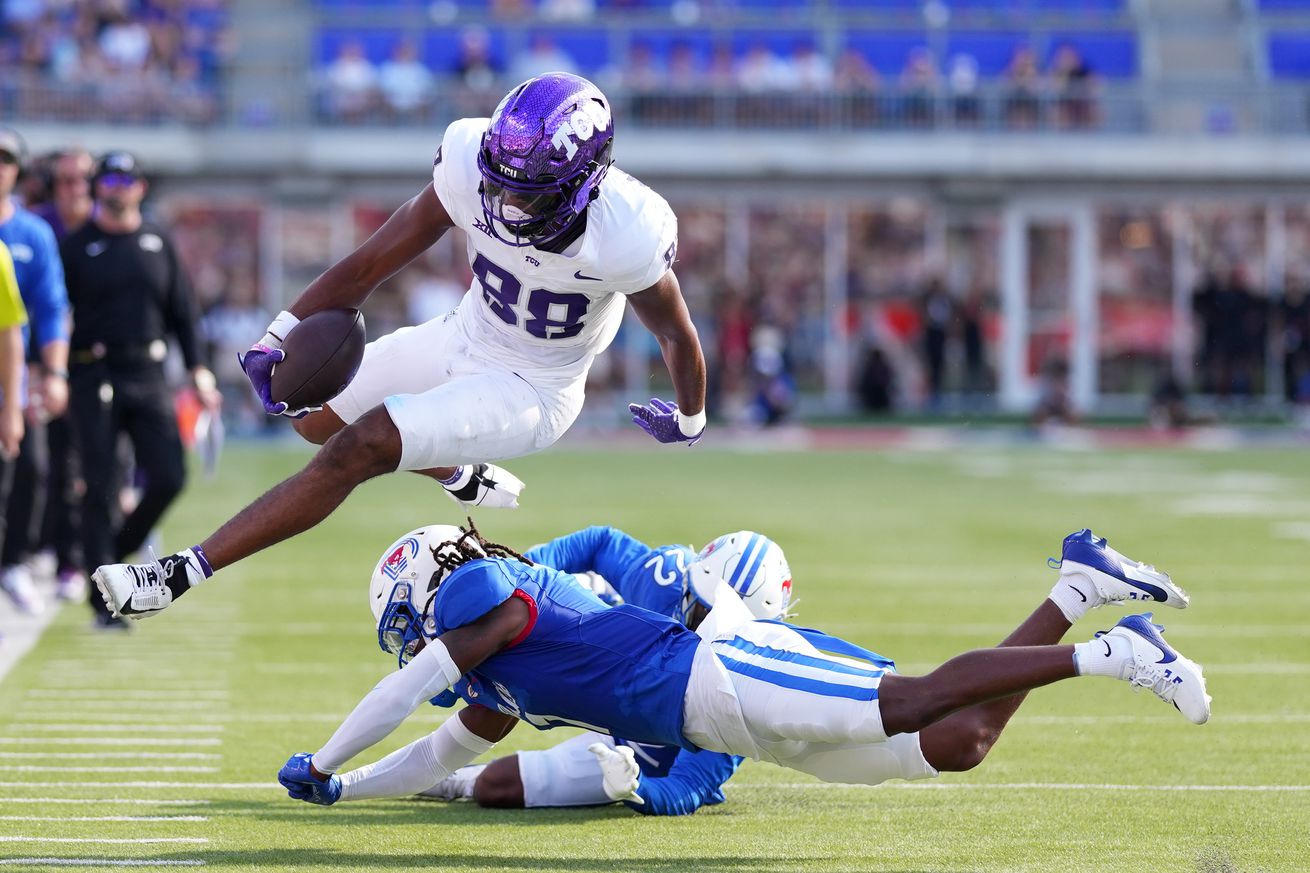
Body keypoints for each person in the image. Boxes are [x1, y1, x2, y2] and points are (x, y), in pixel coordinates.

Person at [93, 73, 706, 621]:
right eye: (501, 185)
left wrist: (690, 415)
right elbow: (367, 266)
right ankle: (457, 472)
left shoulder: (629, 232)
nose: (509, 204)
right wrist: (278, 333)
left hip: (533, 389)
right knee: (314, 424)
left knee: (362, 445)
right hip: (462, 334)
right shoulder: (471, 162)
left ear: (587, 182)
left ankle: (177, 573)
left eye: (531, 194)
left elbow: (674, 330)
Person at [273, 525, 1210, 810]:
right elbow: (435, 753)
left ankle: (1114, 654)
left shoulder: (491, 592)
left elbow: (407, 683)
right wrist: (347, 790)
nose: (413, 634)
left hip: (720, 674)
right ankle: (1081, 591)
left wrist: (321, 756)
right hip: (715, 715)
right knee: (956, 741)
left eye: (412, 613)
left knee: (914, 697)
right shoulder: (494, 675)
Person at [420, 525, 791, 813]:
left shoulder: (744, 686)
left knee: (494, 786)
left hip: (651, 741)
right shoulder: (662, 583)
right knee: (552, 610)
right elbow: (599, 543)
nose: (710, 629)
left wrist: (631, 786)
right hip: (604, 665)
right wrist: (514, 579)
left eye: (731, 627)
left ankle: (460, 781)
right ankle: (449, 678)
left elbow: (684, 789)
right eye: (704, 614)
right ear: (690, 589)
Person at [60, 151, 220, 629]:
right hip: (95, 373)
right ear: (99, 188)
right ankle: (102, 603)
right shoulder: (77, 246)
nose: (118, 186)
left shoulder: (157, 241)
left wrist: (199, 370)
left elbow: (183, 313)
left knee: (170, 475)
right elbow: (53, 316)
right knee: (101, 484)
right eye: (109, 178)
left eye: (127, 179)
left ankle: (108, 562)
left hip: (148, 373)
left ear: (140, 188)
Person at [0, 127, 70, 617]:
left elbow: (46, 311)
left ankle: (13, 561)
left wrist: (53, 372)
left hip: (15, 370)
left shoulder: (30, 236)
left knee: (31, 467)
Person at [30, 148, 95, 602]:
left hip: (97, 364)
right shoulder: (39, 228)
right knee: (47, 462)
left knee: (89, 464)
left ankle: (77, 555)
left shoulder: (110, 225)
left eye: (81, 179)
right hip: (41, 362)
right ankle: (48, 551)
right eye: (65, 180)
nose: (74, 189)